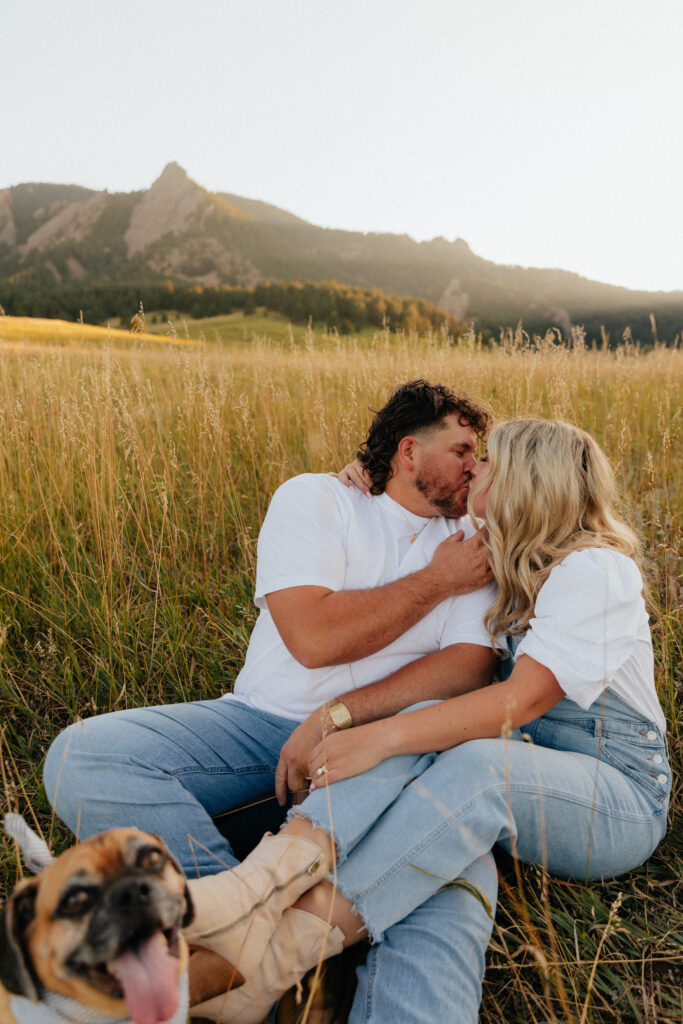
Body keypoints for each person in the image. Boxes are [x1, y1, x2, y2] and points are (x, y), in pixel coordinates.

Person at [183, 418, 670, 1024]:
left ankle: (277, 955)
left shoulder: (596, 570)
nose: (475, 470)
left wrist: (376, 739)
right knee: (432, 723)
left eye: (488, 462)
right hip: (526, 772)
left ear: (526, 480)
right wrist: (368, 477)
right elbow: (411, 506)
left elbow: (518, 702)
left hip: (614, 797)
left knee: (473, 762)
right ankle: (261, 884)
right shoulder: (499, 546)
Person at [43, 380, 500, 1022]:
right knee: (81, 755)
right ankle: (246, 932)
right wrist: (434, 583)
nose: (475, 468)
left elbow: (470, 667)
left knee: (448, 877)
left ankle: (261, 957)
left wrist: (344, 719)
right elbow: (313, 638)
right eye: (462, 450)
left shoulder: (475, 542)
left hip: (394, 754)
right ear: (408, 451)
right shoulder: (317, 498)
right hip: (257, 728)